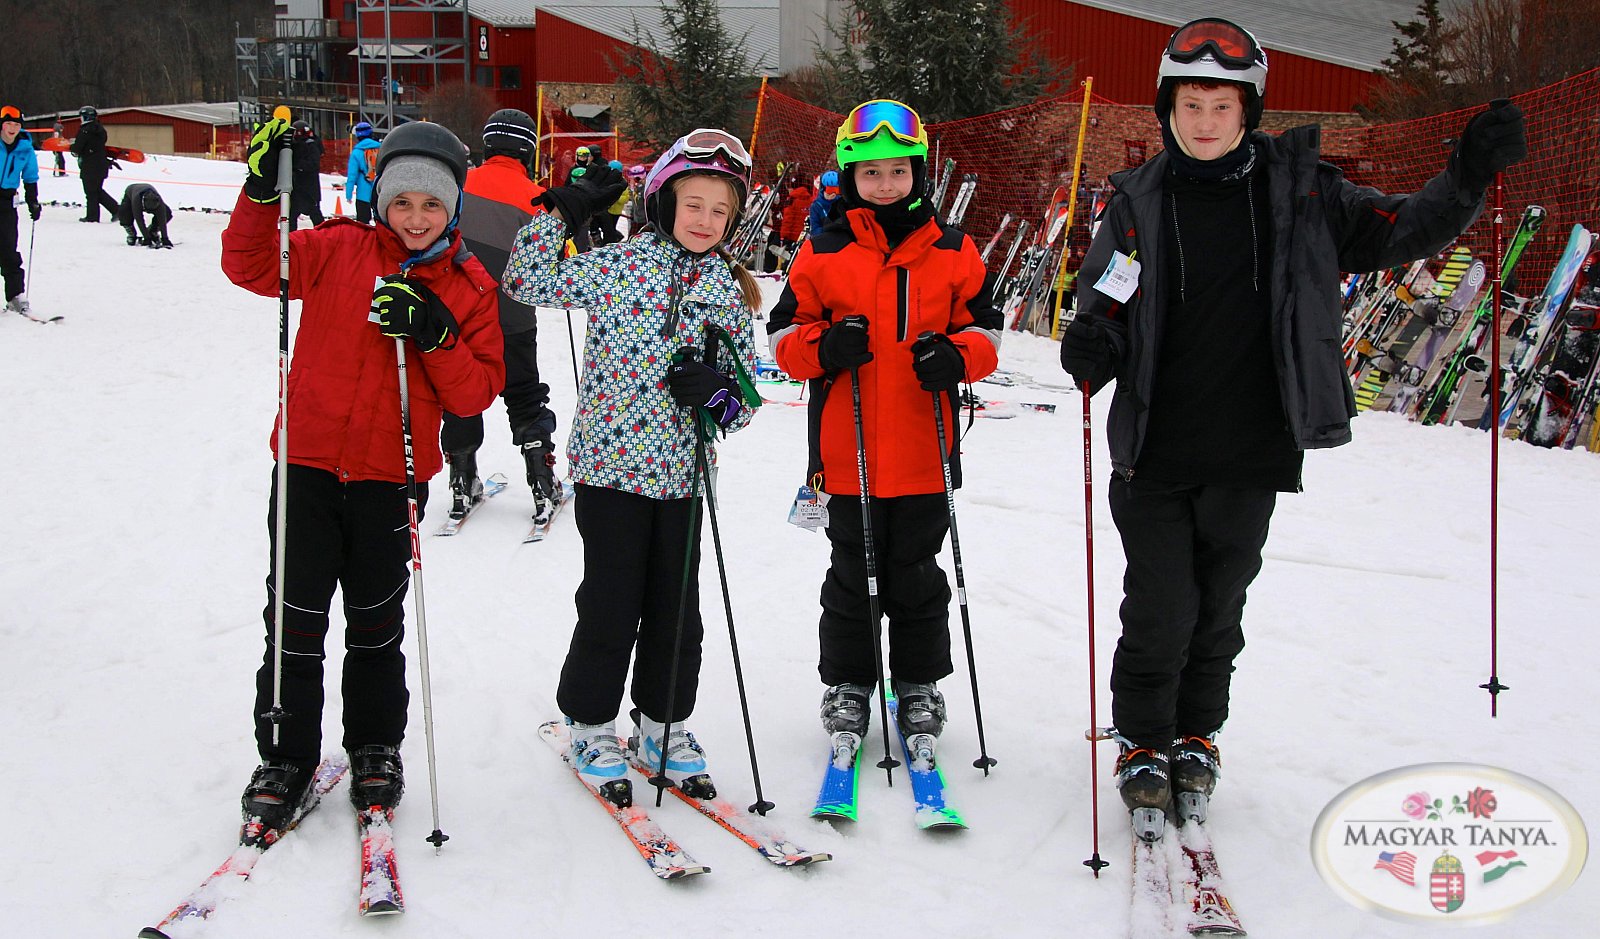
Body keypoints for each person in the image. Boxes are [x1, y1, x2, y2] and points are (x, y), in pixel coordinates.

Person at [1057, 17, 1527, 823]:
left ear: (1249, 110)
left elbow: (1407, 227)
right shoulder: (1138, 200)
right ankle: (1142, 737)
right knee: (1160, 607)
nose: (1206, 121)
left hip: (1253, 445)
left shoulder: (1302, 191)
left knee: (1219, 607)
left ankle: (1196, 733)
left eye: (1222, 106)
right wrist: (1094, 338)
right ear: (1169, 108)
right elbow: (1108, 294)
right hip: (1156, 446)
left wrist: (1468, 173)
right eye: (1191, 104)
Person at [220, 117, 504, 836]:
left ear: (454, 208)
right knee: (294, 619)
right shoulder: (337, 249)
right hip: (308, 466)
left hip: (390, 477)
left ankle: (375, 745)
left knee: (376, 624)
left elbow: (476, 391)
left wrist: (434, 332)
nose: (416, 217)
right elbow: (251, 266)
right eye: (402, 201)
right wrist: (261, 192)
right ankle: (285, 756)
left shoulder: (467, 285)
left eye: (432, 204)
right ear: (380, 200)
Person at [502, 128, 763, 806]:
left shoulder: (728, 288)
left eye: (719, 211)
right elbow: (525, 280)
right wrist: (566, 211)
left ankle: (662, 725)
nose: (705, 220)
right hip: (611, 472)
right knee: (611, 604)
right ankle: (590, 724)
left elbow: (744, 403)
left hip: (682, 479)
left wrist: (715, 392)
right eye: (693, 204)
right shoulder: (620, 264)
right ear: (664, 201)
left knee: (677, 612)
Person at [768, 99, 1001, 754]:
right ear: (849, 177)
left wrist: (957, 356)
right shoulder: (823, 248)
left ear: (918, 174)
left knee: (917, 575)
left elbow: (986, 331)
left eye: (898, 171)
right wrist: (825, 347)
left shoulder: (953, 249)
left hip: (925, 452)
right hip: (847, 457)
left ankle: (918, 681)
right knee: (852, 576)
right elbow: (783, 337)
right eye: (870, 173)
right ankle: (849, 682)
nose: (885, 184)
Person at [443, 108, 561, 522]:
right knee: (525, 395)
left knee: (459, 392)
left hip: (458, 315)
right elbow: (554, 267)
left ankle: (461, 481)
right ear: (528, 151)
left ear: (487, 144)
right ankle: (542, 482)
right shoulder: (538, 200)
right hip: (512, 319)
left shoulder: (458, 185)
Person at [1, 105, 42, 314]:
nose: (12, 128)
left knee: (9, 249)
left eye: (16, 125)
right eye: (8, 123)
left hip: (7, 202)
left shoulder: (25, 148)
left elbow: (30, 175)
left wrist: (33, 200)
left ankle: (15, 296)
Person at [70, 105, 120, 223]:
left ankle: (93, 217)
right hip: (101, 164)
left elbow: (78, 148)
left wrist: (71, 147)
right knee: (97, 191)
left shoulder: (85, 130)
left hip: (90, 165)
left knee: (91, 192)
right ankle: (117, 210)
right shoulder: (100, 129)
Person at [767, 168, 813, 270]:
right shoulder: (811, 199)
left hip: (791, 236)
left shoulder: (791, 199)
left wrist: (783, 237)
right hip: (804, 237)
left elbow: (788, 220)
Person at [289, 120, 326, 229]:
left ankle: (324, 234)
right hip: (296, 187)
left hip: (308, 188)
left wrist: (296, 165)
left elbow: (313, 164)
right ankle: (290, 236)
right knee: (291, 215)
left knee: (315, 214)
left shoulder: (311, 145)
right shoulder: (295, 144)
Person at [116, 182, 173, 248]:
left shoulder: (159, 200)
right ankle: (131, 234)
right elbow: (139, 220)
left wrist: (165, 238)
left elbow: (162, 219)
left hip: (148, 193)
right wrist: (146, 238)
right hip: (131, 191)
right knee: (123, 212)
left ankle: (152, 231)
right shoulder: (137, 200)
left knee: (167, 213)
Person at [345, 121, 380, 223]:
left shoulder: (356, 152)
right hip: (380, 191)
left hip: (363, 193)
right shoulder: (381, 148)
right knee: (381, 222)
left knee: (363, 224)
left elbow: (352, 176)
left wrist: (348, 194)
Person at [595, 159, 627, 245]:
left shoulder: (622, 182)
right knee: (606, 227)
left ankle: (611, 240)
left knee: (611, 227)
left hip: (615, 211)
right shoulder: (606, 180)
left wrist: (615, 197)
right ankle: (610, 239)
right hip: (606, 209)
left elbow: (625, 198)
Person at [807, 169, 841, 237]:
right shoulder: (816, 206)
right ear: (823, 189)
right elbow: (814, 231)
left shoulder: (841, 202)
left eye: (836, 190)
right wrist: (827, 229)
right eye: (830, 190)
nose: (833, 194)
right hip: (825, 239)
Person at [624, 163, 648, 234]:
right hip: (636, 219)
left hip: (644, 220)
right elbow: (634, 202)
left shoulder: (645, 189)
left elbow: (640, 201)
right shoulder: (636, 189)